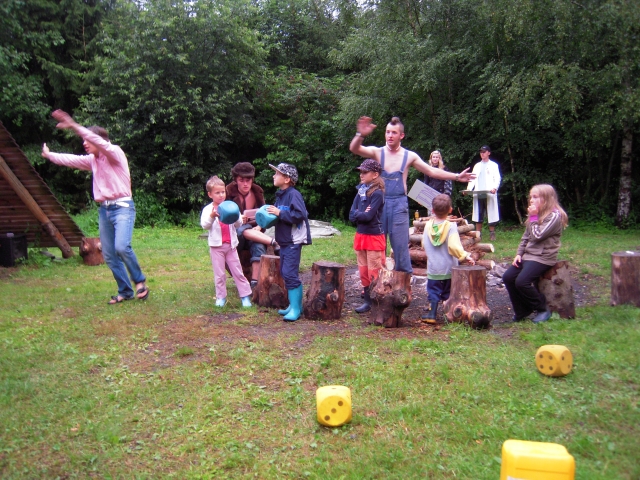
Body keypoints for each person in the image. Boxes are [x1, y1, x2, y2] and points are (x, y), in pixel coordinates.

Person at [41, 110, 149, 304]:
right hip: (105, 210)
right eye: (84, 140)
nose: (84, 143)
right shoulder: (93, 160)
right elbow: (71, 160)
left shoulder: (114, 153)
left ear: (99, 141)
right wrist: (50, 155)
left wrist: (73, 125)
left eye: (88, 140)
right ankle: (125, 291)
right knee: (109, 254)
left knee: (121, 247)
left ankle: (139, 281)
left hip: (122, 207)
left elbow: (98, 142)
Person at [350, 116, 475, 273]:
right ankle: (375, 281)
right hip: (378, 204)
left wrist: (456, 176)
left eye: (394, 132)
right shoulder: (378, 152)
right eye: (387, 132)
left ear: (401, 135)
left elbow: (431, 171)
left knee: (400, 246)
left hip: (398, 205)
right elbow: (355, 148)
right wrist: (360, 134)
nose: (390, 135)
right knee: (376, 244)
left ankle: (403, 282)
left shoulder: (409, 156)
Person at [503, 184, 568, 323]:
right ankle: (522, 310)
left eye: (535, 197)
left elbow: (538, 236)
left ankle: (542, 309)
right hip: (528, 255)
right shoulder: (536, 215)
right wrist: (519, 254)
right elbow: (526, 237)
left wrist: (533, 218)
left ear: (546, 199)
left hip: (543, 257)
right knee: (508, 277)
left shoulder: (554, 216)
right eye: (530, 197)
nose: (531, 200)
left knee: (522, 281)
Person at [266, 163, 312, 321]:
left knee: (290, 274)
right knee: (285, 272)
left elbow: (299, 215)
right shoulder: (280, 195)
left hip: (293, 241)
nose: (273, 176)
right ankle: (293, 306)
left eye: (277, 174)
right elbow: (276, 216)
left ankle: (296, 309)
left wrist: (279, 212)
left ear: (287, 179)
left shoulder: (294, 194)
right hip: (284, 241)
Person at [421, 194, 475, 324]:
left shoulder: (428, 226)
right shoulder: (451, 226)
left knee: (433, 292)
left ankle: (432, 314)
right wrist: (464, 256)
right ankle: (450, 315)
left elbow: (423, 243)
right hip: (449, 268)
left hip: (434, 268)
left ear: (432, 210)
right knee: (448, 293)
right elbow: (454, 246)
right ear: (450, 210)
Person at [200, 176, 253, 308]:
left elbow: (238, 224)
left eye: (223, 192)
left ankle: (245, 296)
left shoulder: (231, 206)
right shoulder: (208, 209)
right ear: (210, 194)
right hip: (216, 247)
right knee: (219, 275)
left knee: (238, 272)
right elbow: (205, 225)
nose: (221, 195)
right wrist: (212, 217)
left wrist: (237, 217)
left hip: (231, 246)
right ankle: (221, 297)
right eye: (217, 193)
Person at [226, 162, 279, 287]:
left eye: (248, 180)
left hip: (255, 231)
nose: (245, 184)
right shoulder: (228, 192)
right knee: (241, 230)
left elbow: (264, 215)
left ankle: (255, 283)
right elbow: (223, 215)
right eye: (241, 180)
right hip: (234, 233)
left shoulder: (257, 192)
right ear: (236, 180)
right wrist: (238, 218)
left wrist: (259, 226)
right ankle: (273, 242)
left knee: (258, 246)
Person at [348, 159, 386, 314]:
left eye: (365, 172)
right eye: (360, 172)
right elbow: (351, 215)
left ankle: (379, 300)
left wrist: (359, 214)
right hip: (361, 235)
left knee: (374, 270)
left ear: (375, 174)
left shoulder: (378, 193)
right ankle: (368, 301)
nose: (361, 175)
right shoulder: (361, 191)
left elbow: (368, 216)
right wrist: (360, 214)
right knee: (363, 270)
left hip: (374, 237)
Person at [464, 145, 501, 241]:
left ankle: (492, 233)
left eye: (484, 152)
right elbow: (472, 179)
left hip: (489, 192)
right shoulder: (477, 166)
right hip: (479, 192)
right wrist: (468, 189)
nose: (482, 154)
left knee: (491, 213)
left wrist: (495, 188)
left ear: (489, 153)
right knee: (478, 213)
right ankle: (478, 234)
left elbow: (497, 178)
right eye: (481, 152)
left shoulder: (494, 165)